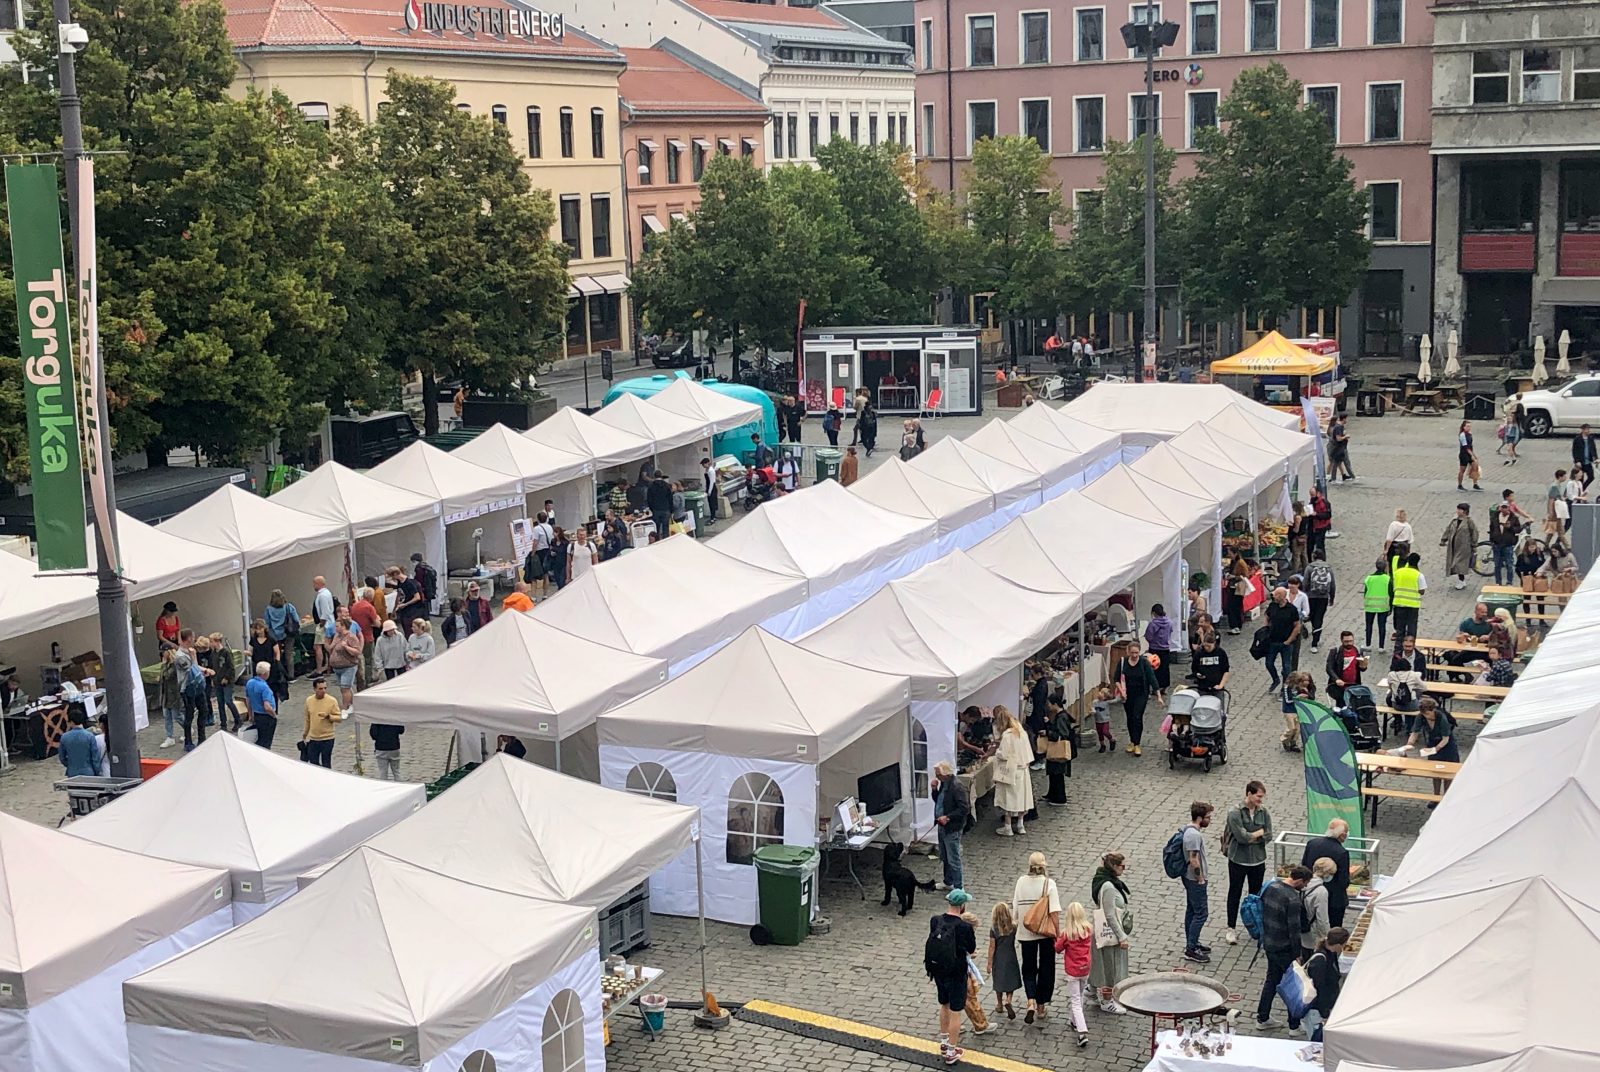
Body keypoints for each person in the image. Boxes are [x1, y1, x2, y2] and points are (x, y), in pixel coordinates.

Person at [927, 888, 978, 1066]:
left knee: (944, 1004)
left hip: (938, 970)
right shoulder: (964, 927)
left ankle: (943, 1041)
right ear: (962, 905)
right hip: (956, 973)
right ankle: (951, 1050)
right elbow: (971, 949)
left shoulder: (936, 920)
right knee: (956, 1010)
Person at [1221, 781, 1275, 950]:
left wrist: (1254, 835)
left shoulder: (1263, 812)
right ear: (1249, 794)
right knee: (1235, 892)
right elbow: (1241, 838)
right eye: (1258, 796)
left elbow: (1269, 835)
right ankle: (1231, 928)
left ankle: (1255, 926)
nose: (1261, 800)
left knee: (1256, 895)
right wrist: (1257, 834)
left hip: (1258, 860)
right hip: (1238, 859)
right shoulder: (1235, 813)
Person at [1257, 866, 1311, 1030]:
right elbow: (1294, 930)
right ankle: (1294, 1026)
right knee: (1293, 985)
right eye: (1306, 883)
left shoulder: (1270, 887)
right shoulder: (1293, 899)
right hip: (1285, 948)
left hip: (1270, 942)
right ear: (1300, 881)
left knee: (1272, 980)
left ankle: (1262, 1017)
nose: (1306, 887)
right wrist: (1297, 954)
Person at [1011, 851, 1061, 1025]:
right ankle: (1041, 1006)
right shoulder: (1049, 884)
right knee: (1047, 967)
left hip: (1026, 932)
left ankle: (1030, 999)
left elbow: (1015, 908)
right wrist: (1057, 932)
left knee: (1029, 967)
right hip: (1045, 933)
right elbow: (1054, 912)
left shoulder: (1021, 882)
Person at [1090, 852, 1131, 1014]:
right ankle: (1107, 1000)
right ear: (1113, 866)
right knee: (1110, 967)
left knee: (1101, 964)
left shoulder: (1105, 881)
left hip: (1104, 931)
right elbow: (1109, 914)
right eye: (1122, 866)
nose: (1124, 869)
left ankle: (1091, 990)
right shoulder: (1108, 887)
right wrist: (1121, 935)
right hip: (1109, 933)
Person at [1052, 902, 1094, 1048]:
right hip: (1085, 969)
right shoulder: (1088, 929)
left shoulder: (1067, 934)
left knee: (1075, 1000)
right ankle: (1073, 1020)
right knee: (1080, 995)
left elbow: (1057, 948)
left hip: (1073, 971)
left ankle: (1082, 1031)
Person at [1301, 819, 1353, 928]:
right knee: (1334, 928)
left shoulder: (1312, 843)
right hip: (1334, 900)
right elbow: (1343, 882)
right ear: (1342, 835)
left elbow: (1304, 866)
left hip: (1311, 892)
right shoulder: (1342, 853)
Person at [992, 707, 1034, 835]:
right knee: (1022, 798)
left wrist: (997, 753)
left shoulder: (1007, 735)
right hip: (1023, 770)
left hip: (1011, 770)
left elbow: (1003, 753)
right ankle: (1020, 825)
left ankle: (1008, 827)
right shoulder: (1022, 732)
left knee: (1008, 799)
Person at [1302, 926, 1348, 1041]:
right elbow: (1320, 989)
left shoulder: (1330, 954)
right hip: (1317, 1011)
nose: (1343, 948)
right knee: (1317, 1042)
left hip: (1325, 1007)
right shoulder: (1320, 961)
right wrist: (1325, 1014)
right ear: (1337, 944)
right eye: (1343, 944)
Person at [1181, 801, 1214, 963]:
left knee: (1192, 911)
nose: (1210, 820)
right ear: (1200, 818)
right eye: (1208, 817)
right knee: (1201, 913)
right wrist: (1200, 878)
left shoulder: (1188, 830)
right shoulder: (1194, 835)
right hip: (1194, 880)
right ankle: (1191, 948)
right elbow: (1194, 860)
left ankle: (1192, 942)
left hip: (1189, 879)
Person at [1114, 645, 1158, 757]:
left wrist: (1158, 694)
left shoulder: (1144, 663)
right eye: (1132, 653)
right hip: (1128, 694)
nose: (1134, 655)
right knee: (1130, 717)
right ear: (1128, 651)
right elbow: (1116, 679)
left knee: (1137, 716)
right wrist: (1121, 692)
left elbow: (1151, 677)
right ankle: (1132, 741)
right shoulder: (1123, 662)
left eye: (1136, 653)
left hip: (1141, 693)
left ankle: (1137, 743)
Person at [931, 761, 969, 891]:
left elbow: (964, 809)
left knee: (953, 858)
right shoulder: (944, 784)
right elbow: (940, 802)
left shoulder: (956, 787)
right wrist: (934, 790)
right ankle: (948, 881)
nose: (937, 777)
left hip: (952, 827)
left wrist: (948, 817)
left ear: (946, 774)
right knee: (945, 856)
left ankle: (958, 887)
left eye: (938, 775)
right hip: (942, 826)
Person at [988, 901, 1021, 1020]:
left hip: (998, 957)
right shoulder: (1013, 927)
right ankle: (1008, 1000)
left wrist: (989, 963)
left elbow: (992, 947)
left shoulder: (994, 929)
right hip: (1011, 956)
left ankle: (1000, 1004)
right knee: (1010, 980)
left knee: (998, 981)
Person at [1263, 586, 1301, 690]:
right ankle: (1275, 679)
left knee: (1286, 667)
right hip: (1272, 641)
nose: (1274, 596)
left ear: (1283, 596)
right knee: (1269, 663)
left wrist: (1289, 640)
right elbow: (1266, 616)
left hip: (1286, 643)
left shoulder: (1292, 609)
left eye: (1277, 594)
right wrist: (1266, 628)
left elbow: (1297, 625)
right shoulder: (1272, 606)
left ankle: (1285, 687)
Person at [301, 675, 343, 768]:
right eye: (320, 688)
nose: (323, 690)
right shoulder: (309, 700)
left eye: (325, 688)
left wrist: (328, 716)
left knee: (326, 763)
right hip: (313, 738)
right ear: (314, 689)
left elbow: (339, 718)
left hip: (327, 738)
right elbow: (307, 719)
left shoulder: (332, 701)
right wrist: (305, 734)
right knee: (313, 763)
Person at [174, 650, 211, 752]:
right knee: (189, 714)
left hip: (197, 687)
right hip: (188, 688)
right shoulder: (180, 656)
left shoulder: (187, 654)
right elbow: (192, 669)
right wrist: (194, 658)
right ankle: (188, 741)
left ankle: (201, 739)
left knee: (203, 710)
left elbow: (195, 669)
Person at [263, 589, 300, 688]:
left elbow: (267, 624)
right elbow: (296, 619)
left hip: (274, 635)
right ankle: (291, 676)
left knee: (276, 656)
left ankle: (280, 676)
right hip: (288, 634)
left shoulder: (268, 609)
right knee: (289, 654)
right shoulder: (288, 607)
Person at [1390, 553, 1426, 653]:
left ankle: (1398, 649)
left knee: (1400, 628)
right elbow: (1422, 591)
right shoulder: (1418, 575)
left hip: (1399, 603)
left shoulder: (1398, 572)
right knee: (1411, 628)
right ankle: (1410, 649)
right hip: (1413, 605)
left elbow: (1394, 585)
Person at [326, 617, 364, 711]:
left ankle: (345, 708)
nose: (335, 628)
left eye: (337, 626)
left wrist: (346, 647)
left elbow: (357, 651)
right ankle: (351, 703)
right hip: (337, 667)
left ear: (343, 627)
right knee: (345, 687)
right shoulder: (336, 636)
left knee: (345, 688)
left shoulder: (351, 637)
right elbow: (330, 648)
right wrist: (331, 644)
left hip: (348, 666)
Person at [1043, 697, 1074, 807]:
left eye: (1050, 704)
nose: (1049, 706)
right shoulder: (1061, 716)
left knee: (1057, 774)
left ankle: (1059, 797)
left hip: (1058, 749)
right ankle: (1052, 793)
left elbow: (1060, 734)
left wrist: (1047, 732)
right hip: (1056, 748)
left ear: (1055, 704)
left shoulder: (1061, 718)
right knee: (1054, 773)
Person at [1301, 857, 1335, 959]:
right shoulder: (1321, 891)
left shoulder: (1304, 882)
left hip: (1299, 928)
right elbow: (1322, 918)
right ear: (1327, 873)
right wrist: (1325, 937)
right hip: (1311, 932)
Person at [207, 633, 241, 732]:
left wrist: (227, 677)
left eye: (212, 641)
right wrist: (213, 678)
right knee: (220, 702)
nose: (210, 643)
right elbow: (212, 667)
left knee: (228, 700)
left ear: (217, 642)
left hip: (227, 681)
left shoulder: (226, 652)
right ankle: (223, 724)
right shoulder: (213, 653)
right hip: (217, 680)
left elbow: (231, 667)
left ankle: (238, 720)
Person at [1323, 631, 1366, 707]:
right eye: (1346, 641)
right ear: (1341, 641)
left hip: (1353, 685)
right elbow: (1329, 668)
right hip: (1340, 687)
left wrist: (1363, 666)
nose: (1349, 643)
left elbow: (1361, 668)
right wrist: (1336, 679)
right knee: (1341, 706)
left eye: (1351, 641)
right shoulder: (1335, 652)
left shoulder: (1356, 651)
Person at [350, 588, 382, 686]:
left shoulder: (355, 606)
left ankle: (358, 679)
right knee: (368, 659)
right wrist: (378, 620)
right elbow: (377, 624)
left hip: (355, 636)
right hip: (367, 636)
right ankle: (368, 679)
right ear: (371, 597)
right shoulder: (369, 607)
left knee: (357, 659)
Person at [1303, 553, 1335, 651]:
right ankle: (1315, 642)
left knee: (1312, 616)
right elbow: (1332, 584)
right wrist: (1332, 598)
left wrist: (1305, 594)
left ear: (1313, 557)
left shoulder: (1309, 568)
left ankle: (1314, 633)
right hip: (1323, 597)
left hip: (1311, 597)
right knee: (1319, 618)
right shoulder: (1329, 568)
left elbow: (1305, 582)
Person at [1144, 604, 1175, 700]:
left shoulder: (1153, 624)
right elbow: (1171, 631)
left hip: (1155, 649)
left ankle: (1155, 687)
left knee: (1154, 669)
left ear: (1153, 613)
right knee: (1165, 668)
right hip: (1165, 648)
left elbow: (1148, 636)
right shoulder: (1169, 622)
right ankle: (1164, 687)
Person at [244, 661, 278, 748]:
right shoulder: (264, 687)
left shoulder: (250, 683)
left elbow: (248, 700)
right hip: (266, 717)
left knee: (258, 740)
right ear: (265, 673)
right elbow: (267, 706)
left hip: (257, 715)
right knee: (266, 742)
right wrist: (274, 715)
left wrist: (250, 715)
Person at [1489, 501, 1522, 586]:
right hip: (1497, 544)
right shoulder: (1495, 516)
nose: (1503, 509)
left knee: (1509, 564)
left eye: (1505, 507)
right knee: (1497, 565)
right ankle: (1498, 582)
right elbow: (1492, 528)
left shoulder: (1514, 518)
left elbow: (1518, 529)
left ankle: (1509, 582)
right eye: (1502, 507)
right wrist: (1492, 540)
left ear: (1508, 508)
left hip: (1508, 545)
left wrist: (1510, 527)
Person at [58, 708, 98, 776]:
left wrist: (70, 765)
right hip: (89, 772)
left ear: (71, 722)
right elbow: (95, 757)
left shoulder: (64, 737)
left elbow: (62, 757)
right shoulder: (90, 736)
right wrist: (97, 771)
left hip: (72, 772)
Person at [311, 575, 336, 671]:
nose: (313, 586)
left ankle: (319, 669)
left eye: (314, 583)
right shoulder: (326, 593)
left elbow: (325, 612)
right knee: (327, 646)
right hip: (329, 623)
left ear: (318, 584)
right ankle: (329, 667)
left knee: (318, 646)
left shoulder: (322, 595)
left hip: (325, 624)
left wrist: (322, 624)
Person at [1223, 554, 1250, 635]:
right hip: (1233, 587)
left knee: (1234, 606)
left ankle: (1236, 626)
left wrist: (1233, 577)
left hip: (1237, 588)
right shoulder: (1233, 562)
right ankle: (1236, 625)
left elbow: (1244, 576)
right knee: (1234, 606)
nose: (1229, 554)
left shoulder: (1240, 563)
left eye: (1230, 552)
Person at [646, 471, 674, 539]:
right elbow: (670, 499)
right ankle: (666, 542)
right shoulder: (667, 485)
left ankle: (657, 541)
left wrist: (652, 509)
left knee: (656, 528)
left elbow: (649, 499)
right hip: (666, 509)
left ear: (654, 476)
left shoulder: (651, 486)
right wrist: (671, 510)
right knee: (665, 528)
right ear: (661, 476)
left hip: (656, 509)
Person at [1308, 488, 1333, 560]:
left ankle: (1322, 561)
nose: (1312, 496)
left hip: (1321, 527)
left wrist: (1316, 515)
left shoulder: (1324, 503)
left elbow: (1328, 515)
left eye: (1313, 494)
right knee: (1310, 545)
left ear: (1318, 493)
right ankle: (1310, 561)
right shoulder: (1312, 502)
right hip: (1312, 526)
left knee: (1320, 545)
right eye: (1311, 495)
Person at [1327, 415, 1354, 481]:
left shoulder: (1337, 427)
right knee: (1339, 463)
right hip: (1338, 448)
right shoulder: (1337, 428)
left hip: (1337, 448)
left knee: (1336, 463)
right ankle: (1351, 476)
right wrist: (1345, 436)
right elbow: (1338, 438)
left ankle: (1336, 477)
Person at [1457, 420, 1482, 491]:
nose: (1469, 428)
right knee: (1462, 470)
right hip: (1464, 454)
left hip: (1469, 453)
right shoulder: (1462, 435)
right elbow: (1466, 447)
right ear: (1463, 427)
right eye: (1467, 426)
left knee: (1475, 467)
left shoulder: (1469, 434)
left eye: (1469, 426)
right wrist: (1472, 455)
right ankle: (1460, 484)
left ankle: (1475, 483)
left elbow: (1471, 446)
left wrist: (1474, 454)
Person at [1287, 502, 1310, 574]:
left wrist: (1291, 534)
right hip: (1304, 537)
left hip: (1297, 538)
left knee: (1296, 555)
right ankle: (1306, 570)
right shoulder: (1305, 515)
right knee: (1304, 554)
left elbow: (1296, 529)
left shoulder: (1298, 517)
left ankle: (1295, 572)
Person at [1573, 423, 1597, 488]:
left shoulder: (1590, 438)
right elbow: (1574, 451)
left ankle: (1582, 488)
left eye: (1589, 429)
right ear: (1583, 430)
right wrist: (1577, 461)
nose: (1588, 431)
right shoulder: (1577, 439)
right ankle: (1579, 491)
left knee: (1591, 477)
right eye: (1587, 429)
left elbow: (1593, 448)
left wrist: (1595, 458)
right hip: (1581, 462)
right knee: (1580, 479)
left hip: (1588, 461)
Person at [1502, 400, 1524, 465]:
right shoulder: (1507, 425)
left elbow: (1517, 433)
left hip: (1512, 437)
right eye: (1508, 418)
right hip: (1508, 437)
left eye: (1510, 418)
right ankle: (1513, 459)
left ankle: (1508, 460)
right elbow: (1506, 431)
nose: (1509, 419)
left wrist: (1515, 440)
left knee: (1509, 449)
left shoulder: (1514, 425)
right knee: (1509, 449)